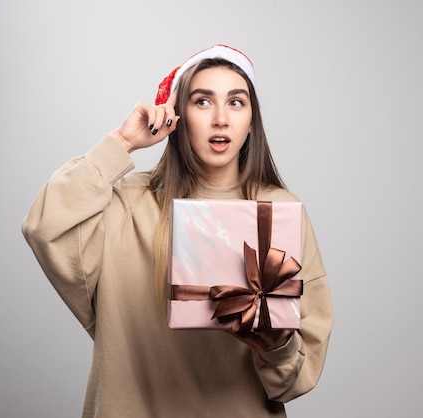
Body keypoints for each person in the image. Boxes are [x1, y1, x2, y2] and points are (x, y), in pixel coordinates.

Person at [22, 44, 333, 417]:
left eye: (236, 102)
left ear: (252, 120)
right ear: (178, 114)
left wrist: (276, 344)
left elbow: (296, 380)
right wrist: (122, 143)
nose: (221, 119)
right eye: (203, 102)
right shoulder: (128, 203)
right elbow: (44, 226)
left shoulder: (280, 212)